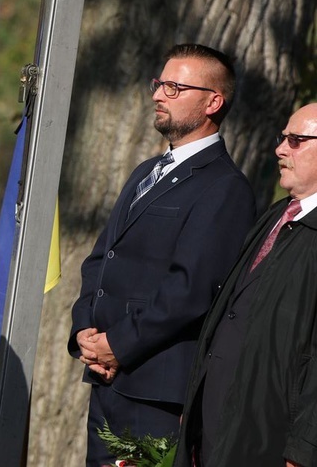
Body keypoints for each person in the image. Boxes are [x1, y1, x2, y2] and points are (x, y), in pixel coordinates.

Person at [68, 43, 256, 466]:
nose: (157, 95)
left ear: (213, 101)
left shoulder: (224, 187)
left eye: (174, 87)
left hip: (155, 391)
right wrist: (85, 333)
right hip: (105, 378)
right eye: (159, 84)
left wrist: (118, 344)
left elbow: (189, 290)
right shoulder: (144, 173)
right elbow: (100, 260)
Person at [174, 103, 317, 466]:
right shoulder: (276, 214)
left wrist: (304, 448)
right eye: (283, 138)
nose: (281, 149)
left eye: (297, 141)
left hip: (270, 439)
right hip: (216, 422)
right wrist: (194, 402)